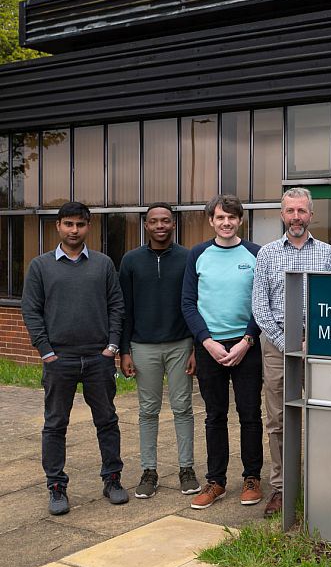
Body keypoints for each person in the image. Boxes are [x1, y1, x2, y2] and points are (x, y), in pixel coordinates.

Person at [21, 201, 128, 514]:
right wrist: (46, 351)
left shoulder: (103, 264)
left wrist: (112, 346)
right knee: (55, 425)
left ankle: (112, 479)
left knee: (107, 421)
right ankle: (56, 487)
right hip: (60, 359)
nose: (74, 230)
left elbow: (116, 306)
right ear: (58, 226)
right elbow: (31, 310)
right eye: (68, 224)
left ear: (88, 227)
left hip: (98, 358)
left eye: (80, 225)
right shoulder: (40, 266)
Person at [253, 187, 331, 517]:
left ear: (311, 215)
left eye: (301, 211)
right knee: (278, 419)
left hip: (317, 344)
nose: (296, 217)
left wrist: (313, 341)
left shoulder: (328, 255)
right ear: (281, 214)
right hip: (277, 344)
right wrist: (284, 343)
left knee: (321, 415)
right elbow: (260, 306)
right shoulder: (268, 254)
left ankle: (321, 487)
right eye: (290, 211)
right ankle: (281, 487)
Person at [181, 194, 265, 510]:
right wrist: (207, 342)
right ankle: (216, 481)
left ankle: (252, 477)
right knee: (214, 415)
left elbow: (263, 302)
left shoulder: (256, 254)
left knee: (250, 413)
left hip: (247, 347)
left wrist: (247, 340)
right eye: (220, 218)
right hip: (210, 349)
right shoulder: (198, 254)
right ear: (211, 221)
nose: (226, 223)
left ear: (240, 220)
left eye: (232, 217)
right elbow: (188, 303)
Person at [119, 203, 199, 499]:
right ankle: (149, 471)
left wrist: (195, 347)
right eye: (154, 221)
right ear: (146, 225)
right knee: (148, 411)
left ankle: (186, 469)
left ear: (173, 224)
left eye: (166, 220)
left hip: (181, 344)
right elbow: (124, 308)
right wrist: (124, 350)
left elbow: (196, 303)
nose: (160, 225)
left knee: (183, 409)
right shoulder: (130, 260)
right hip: (142, 346)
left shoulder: (189, 257)